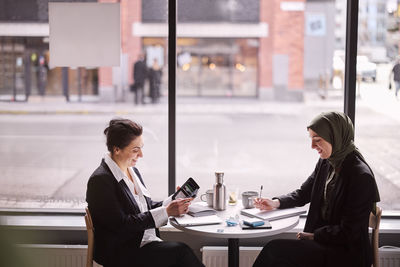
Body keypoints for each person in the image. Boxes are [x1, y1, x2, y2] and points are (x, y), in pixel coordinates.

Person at [252, 111, 380, 267]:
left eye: (317, 140)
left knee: (275, 251)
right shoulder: (327, 161)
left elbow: (349, 232)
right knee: (275, 253)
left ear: (335, 137)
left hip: (345, 253)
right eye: (311, 140)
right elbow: (304, 193)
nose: (312, 146)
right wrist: (275, 203)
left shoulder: (361, 176)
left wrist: (314, 236)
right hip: (326, 243)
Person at [86, 118, 204, 267]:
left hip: (143, 243)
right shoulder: (101, 181)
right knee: (181, 252)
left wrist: (173, 202)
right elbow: (122, 224)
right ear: (116, 149)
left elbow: (145, 208)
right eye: (135, 150)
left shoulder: (132, 171)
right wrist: (166, 212)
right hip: (122, 253)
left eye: (141, 148)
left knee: (180, 253)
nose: (141, 155)